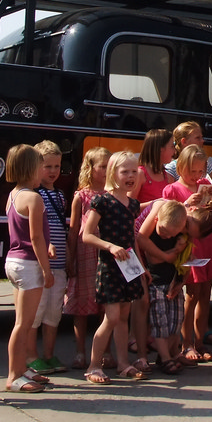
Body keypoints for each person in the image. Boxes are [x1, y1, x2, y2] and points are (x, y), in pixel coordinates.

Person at [84, 151, 146, 384]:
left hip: (129, 267)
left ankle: (123, 363)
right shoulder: (102, 201)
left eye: (134, 171)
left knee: (123, 317)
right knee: (111, 317)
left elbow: (132, 238)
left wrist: (141, 268)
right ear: (113, 173)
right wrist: (109, 246)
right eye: (125, 172)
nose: (130, 176)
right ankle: (93, 365)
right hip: (110, 267)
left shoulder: (133, 204)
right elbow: (87, 235)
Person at [162, 143, 212, 363]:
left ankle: (200, 340)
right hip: (189, 249)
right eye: (192, 171)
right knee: (191, 295)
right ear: (180, 168)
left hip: (207, 245)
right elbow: (167, 217)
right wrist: (186, 204)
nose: (197, 176)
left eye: (200, 171)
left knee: (206, 295)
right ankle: (185, 343)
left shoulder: (204, 184)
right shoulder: (172, 189)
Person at [4, 144, 54, 393]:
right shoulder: (34, 198)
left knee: (21, 320)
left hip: (13, 261)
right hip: (29, 264)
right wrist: (47, 269)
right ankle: (14, 375)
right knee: (24, 323)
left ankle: (21, 368)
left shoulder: (13, 195)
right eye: (40, 167)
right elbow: (36, 237)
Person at [28, 140, 69, 376]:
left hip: (59, 264)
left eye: (57, 166)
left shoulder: (60, 195)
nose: (53, 171)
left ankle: (49, 354)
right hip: (40, 265)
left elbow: (63, 228)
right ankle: (31, 355)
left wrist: (68, 257)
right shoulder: (34, 194)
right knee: (36, 313)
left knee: (54, 312)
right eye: (47, 166)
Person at [136, 199, 189, 374]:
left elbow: (186, 258)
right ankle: (162, 358)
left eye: (172, 235)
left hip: (172, 282)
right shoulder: (154, 228)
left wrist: (181, 280)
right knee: (159, 322)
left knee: (175, 321)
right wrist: (170, 254)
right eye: (164, 232)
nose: (167, 236)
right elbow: (142, 242)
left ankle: (169, 354)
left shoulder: (176, 230)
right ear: (157, 220)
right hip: (156, 282)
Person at [66, 146, 107, 370]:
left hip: (106, 254)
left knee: (106, 305)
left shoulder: (112, 194)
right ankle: (80, 351)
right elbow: (73, 231)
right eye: (103, 166)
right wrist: (70, 258)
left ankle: (105, 352)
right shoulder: (81, 196)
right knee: (82, 304)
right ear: (90, 169)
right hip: (85, 255)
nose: (107, 171)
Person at [133, 129, 175, 208]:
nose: (174, 151)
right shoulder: (140, 174)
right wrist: (156, 203)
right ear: (160, 148)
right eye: (172, 147)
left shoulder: (168, 177)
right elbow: (129, 207)